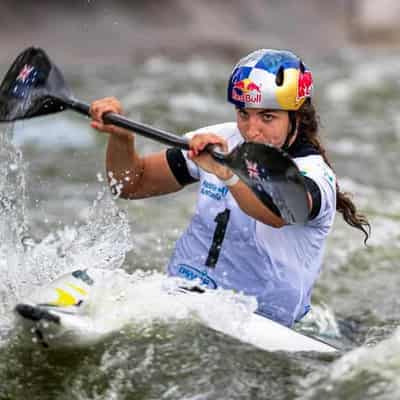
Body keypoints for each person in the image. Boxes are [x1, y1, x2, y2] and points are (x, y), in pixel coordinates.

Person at [89, 49, 370, 327]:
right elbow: (131, 183)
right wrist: (122, 139)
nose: (252, 129)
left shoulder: (314, 174)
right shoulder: (222, 139)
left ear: (297, 116)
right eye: (243, 113)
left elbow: (280, 213)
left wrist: (228, 175)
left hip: (262, 321)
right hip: (182, 297)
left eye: (268, 117)